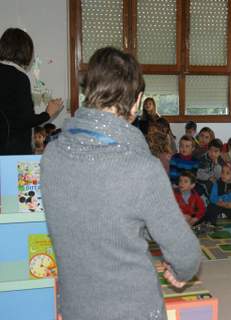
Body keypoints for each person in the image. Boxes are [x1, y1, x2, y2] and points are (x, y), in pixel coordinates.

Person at [41, 47, 201, 320]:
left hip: (76, 307)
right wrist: (180, 271)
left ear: (87, 92)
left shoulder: (52, 154)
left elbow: (103, 215)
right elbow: (186, 256)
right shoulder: (141, 168)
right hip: (133, 308)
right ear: (137, 102)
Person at [0, 28, 63, 155]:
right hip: (12, 152)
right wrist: (48, 113)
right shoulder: (19, 77)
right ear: (25, 51)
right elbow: (25, 120)